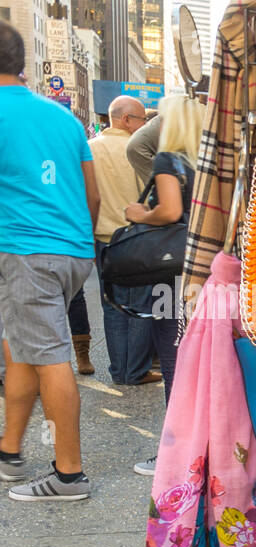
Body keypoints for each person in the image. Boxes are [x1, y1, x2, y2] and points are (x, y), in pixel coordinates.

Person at [0, 21, 99, 501]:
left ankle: (69, 475)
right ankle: (9, 451)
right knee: (23, 346)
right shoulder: (64, 118)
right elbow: (91, 192)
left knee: (50, 354)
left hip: (24, 250)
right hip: (71, 249)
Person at [124, 93, 201, 477]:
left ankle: (174, 451)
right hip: (206, 274)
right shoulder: (209, 164)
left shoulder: (168, 160)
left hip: (169, 275)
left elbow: (170, 211)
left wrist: (141, 213)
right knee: (201, 361)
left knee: (173, 360)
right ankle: (199, 444)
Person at [88, 94, 161, 386]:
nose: (145, 126)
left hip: (102, 240)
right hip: (136, 239)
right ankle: (136, 370)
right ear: (126, 119)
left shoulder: (89, 149)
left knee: (112, 306)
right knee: (142, 305)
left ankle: (119, 371)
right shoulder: (138, 150)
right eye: (142, 120)